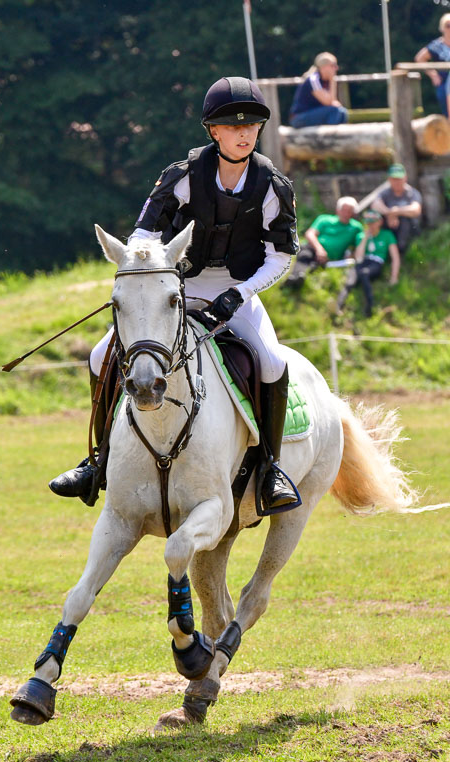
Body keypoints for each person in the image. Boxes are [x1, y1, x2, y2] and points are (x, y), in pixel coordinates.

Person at [49, 76, 301, 511]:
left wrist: (240, 294)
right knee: (98, 356)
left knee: (273, 362)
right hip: (177, 282)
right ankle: (98, 459)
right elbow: (144, 232)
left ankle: (271, 469)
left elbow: (280, 257)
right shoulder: (181, 177)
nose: (244, 133)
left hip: (236, 290)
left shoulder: (273, 185)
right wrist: (153, 266)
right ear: (213, 132)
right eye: (232, 125)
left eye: (251, 125)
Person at [285, 197, 363, 288]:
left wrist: (352, 255)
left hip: (331, 258)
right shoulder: (325, 219)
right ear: (338, 210)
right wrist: (319, 250)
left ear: (353, 213)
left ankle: (298, 279)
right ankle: (296, 276)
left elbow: (360, 245)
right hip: (314, 248)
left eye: (349, 211)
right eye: (344, 210)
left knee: (314, 265)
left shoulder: (356, 228)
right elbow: (310, 234)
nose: (346, 214)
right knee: (305, 254)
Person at [335, 210, 400, 318]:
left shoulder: (387, 235)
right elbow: (359, 258)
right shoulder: (361, 236)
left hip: (376, 263)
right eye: (368, 223)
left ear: (379, 222)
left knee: (364, 273)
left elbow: (395, 257)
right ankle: (338, 307)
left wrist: (394, 277)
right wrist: (365, 238)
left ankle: (369, 307)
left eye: (373, 222)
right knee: (350, 282)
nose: (371, 225)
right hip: (362, 262)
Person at [371, 164, 422, 256]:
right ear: (389, 179)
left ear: (405, 178)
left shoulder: (412, 193)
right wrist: (389, 214)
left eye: (399, 178)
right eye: (394, 179)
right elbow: (375, 205)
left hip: (410, 229)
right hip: (390, 227)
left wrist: (396, 211)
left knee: (404, 220)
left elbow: (416, 210)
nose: (397, 182)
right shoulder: (385, 193)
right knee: (378, 219)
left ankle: (402, 251)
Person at [289, 52, 348, 128]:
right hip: (298, 118)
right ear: (323, 67)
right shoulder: (313, 79)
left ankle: (337, 138)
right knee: (334, 111)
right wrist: (332, 80)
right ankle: (330, 138)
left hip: (312, 114)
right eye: (333, 65)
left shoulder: (325, 80)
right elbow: (328, 102)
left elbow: (332, 101)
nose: (336, 68)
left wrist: (331, 80)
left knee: (343, 112)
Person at [415, 14, 450, 117]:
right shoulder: (437, 46)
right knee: (446, 112)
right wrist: (433, 74)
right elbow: (420, 58)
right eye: (448, 25)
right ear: (442, 28)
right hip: (443, 81)